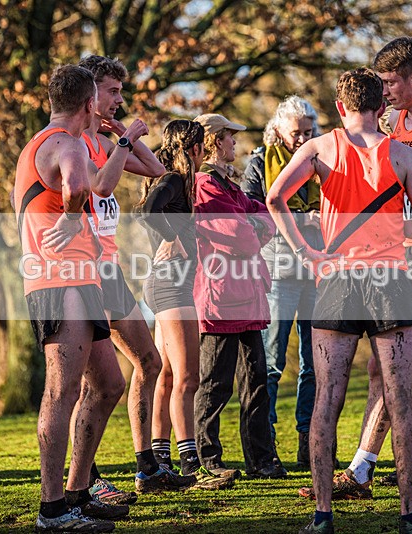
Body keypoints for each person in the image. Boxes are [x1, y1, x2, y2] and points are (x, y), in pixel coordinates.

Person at [267, 68, 412, 534]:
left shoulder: (319, 147)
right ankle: (410, 516)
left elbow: (274, 198)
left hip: (337, 281)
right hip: (390, 281)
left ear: (341, 107)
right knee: (401, 399)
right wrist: (389, 231)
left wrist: (308, 252)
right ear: (381, 107)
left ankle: (322, 514)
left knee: (328, 397)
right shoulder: (404, 155)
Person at [14, 64, 126, 533]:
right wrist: (70, 218)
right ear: (88, 104)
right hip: (61, 279)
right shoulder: (68, 143)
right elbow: (79, 185)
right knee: (63, 390)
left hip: (77, 278)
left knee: (109, 384)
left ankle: (78, 493)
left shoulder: (40, 142)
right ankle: (53, 510)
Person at [77, 55, 196, 495]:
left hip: (111, 274)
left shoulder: (104, 145)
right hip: (81, 276)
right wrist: (124, 139)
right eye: (112, 91)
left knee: (149, 362)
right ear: (89, 93)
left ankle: (146, 465)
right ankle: (83, 477)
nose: (119, 100)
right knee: (89, 383)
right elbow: (101, 187)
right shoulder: (74, 146)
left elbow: (157, 170)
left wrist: (117, 135)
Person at [137, 119, 233, 490]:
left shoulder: (174, 180)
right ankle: (191, 464)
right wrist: (174, 236)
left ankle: (160, 461)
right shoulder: (175, 179)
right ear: (193, 149)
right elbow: (147, 212)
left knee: (166, 375)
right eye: (202, 148)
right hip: (172, 287)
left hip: (166, 286)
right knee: (188, 377)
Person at [191, 113, 286, 480]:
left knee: (257, 383)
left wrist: (254, 226)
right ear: (215, 141)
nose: (236, 144)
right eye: (231, 138)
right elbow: (244, 236)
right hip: (221, 299)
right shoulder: (205, 186)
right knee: (215, 384)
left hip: (247, 295)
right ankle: (208, 462)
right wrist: (254, 228)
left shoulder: (229, 187)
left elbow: (267, 222)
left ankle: (261, 459)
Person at [241, 95, 325, 468]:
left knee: (314, 363)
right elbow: (248, 215)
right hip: (278, 271)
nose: (301, 139)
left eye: (308, 132)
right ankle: (266, 444)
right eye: (296, 133)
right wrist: (294, 221)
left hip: (317, 272)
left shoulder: (322, 159)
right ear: (277, 129)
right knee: (271, 361)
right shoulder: (259, 162)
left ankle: (308, 440)